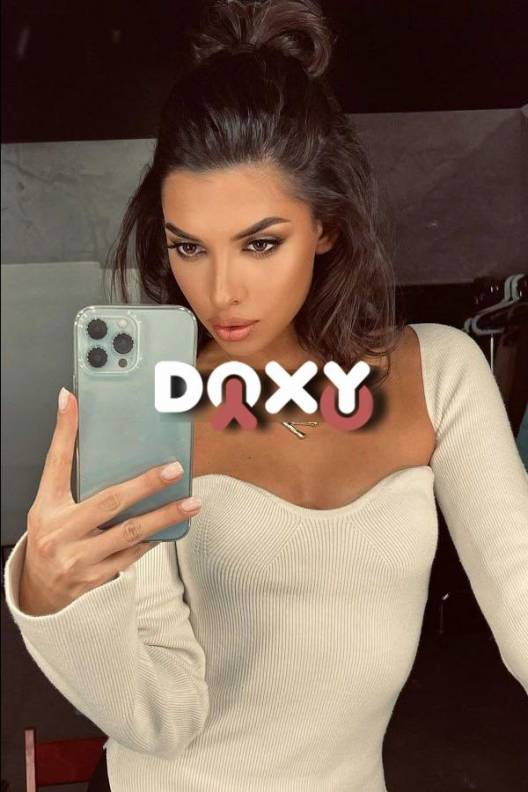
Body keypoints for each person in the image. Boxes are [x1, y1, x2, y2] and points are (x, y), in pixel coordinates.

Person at [4, 1, 528, 791]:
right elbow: (160, 718)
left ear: (326, 225)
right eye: (189, 247)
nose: (221, 290)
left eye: (260, 242)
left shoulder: (441, 374)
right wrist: (51, 596)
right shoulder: (148, 403)